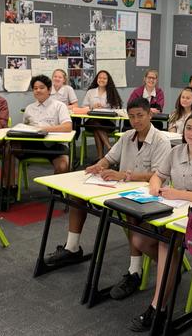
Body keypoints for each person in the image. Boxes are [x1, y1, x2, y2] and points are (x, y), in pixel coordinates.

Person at [46, 98, 171, 300]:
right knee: (77, 196)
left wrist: (124, 175)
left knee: (130, 213)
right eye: (132, 116)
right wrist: (99, 165)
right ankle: (72, 247)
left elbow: (158, 175)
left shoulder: (161, 141)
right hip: (123, 188)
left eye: (140, 115)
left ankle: (135, 271)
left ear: (150, 115)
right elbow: (110, 158)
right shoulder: (127, 136)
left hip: (151, 194)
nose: (136, 120)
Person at [129, 112, 192, 331]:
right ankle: (171, 273)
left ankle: (158, 307)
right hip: (176, 209)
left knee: (166, 241)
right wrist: (155, 186)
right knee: (139, 239)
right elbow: (158, 175)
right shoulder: (176, 151)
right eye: (189, 128)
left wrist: (178, 193)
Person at [5, 75, 72, 187]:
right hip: (33, 145)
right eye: (35, 88)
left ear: (49, 90)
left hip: (54, 145)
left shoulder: (59, 106)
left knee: (63, 166)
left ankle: (55, 189)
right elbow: (24, 127)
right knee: (8, 148)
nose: (38, 91)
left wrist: (44, 129)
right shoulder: (29, 108)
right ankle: (9, 188)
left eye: (41, 87)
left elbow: (68, 126)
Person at [81, 70, 123, 159]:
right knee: (96, 123)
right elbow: (83, 107)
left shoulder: (111, 92)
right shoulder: (90, 92)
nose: (102, 80)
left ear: (108, 80)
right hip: (91, 122)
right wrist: (92, 107)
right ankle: (110, 148)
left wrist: (105, 107)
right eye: (100, 78)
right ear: (97, 79)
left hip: (108, 123)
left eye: (104, 78)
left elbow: (117, 108)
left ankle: (100, 157)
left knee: (97, 128)